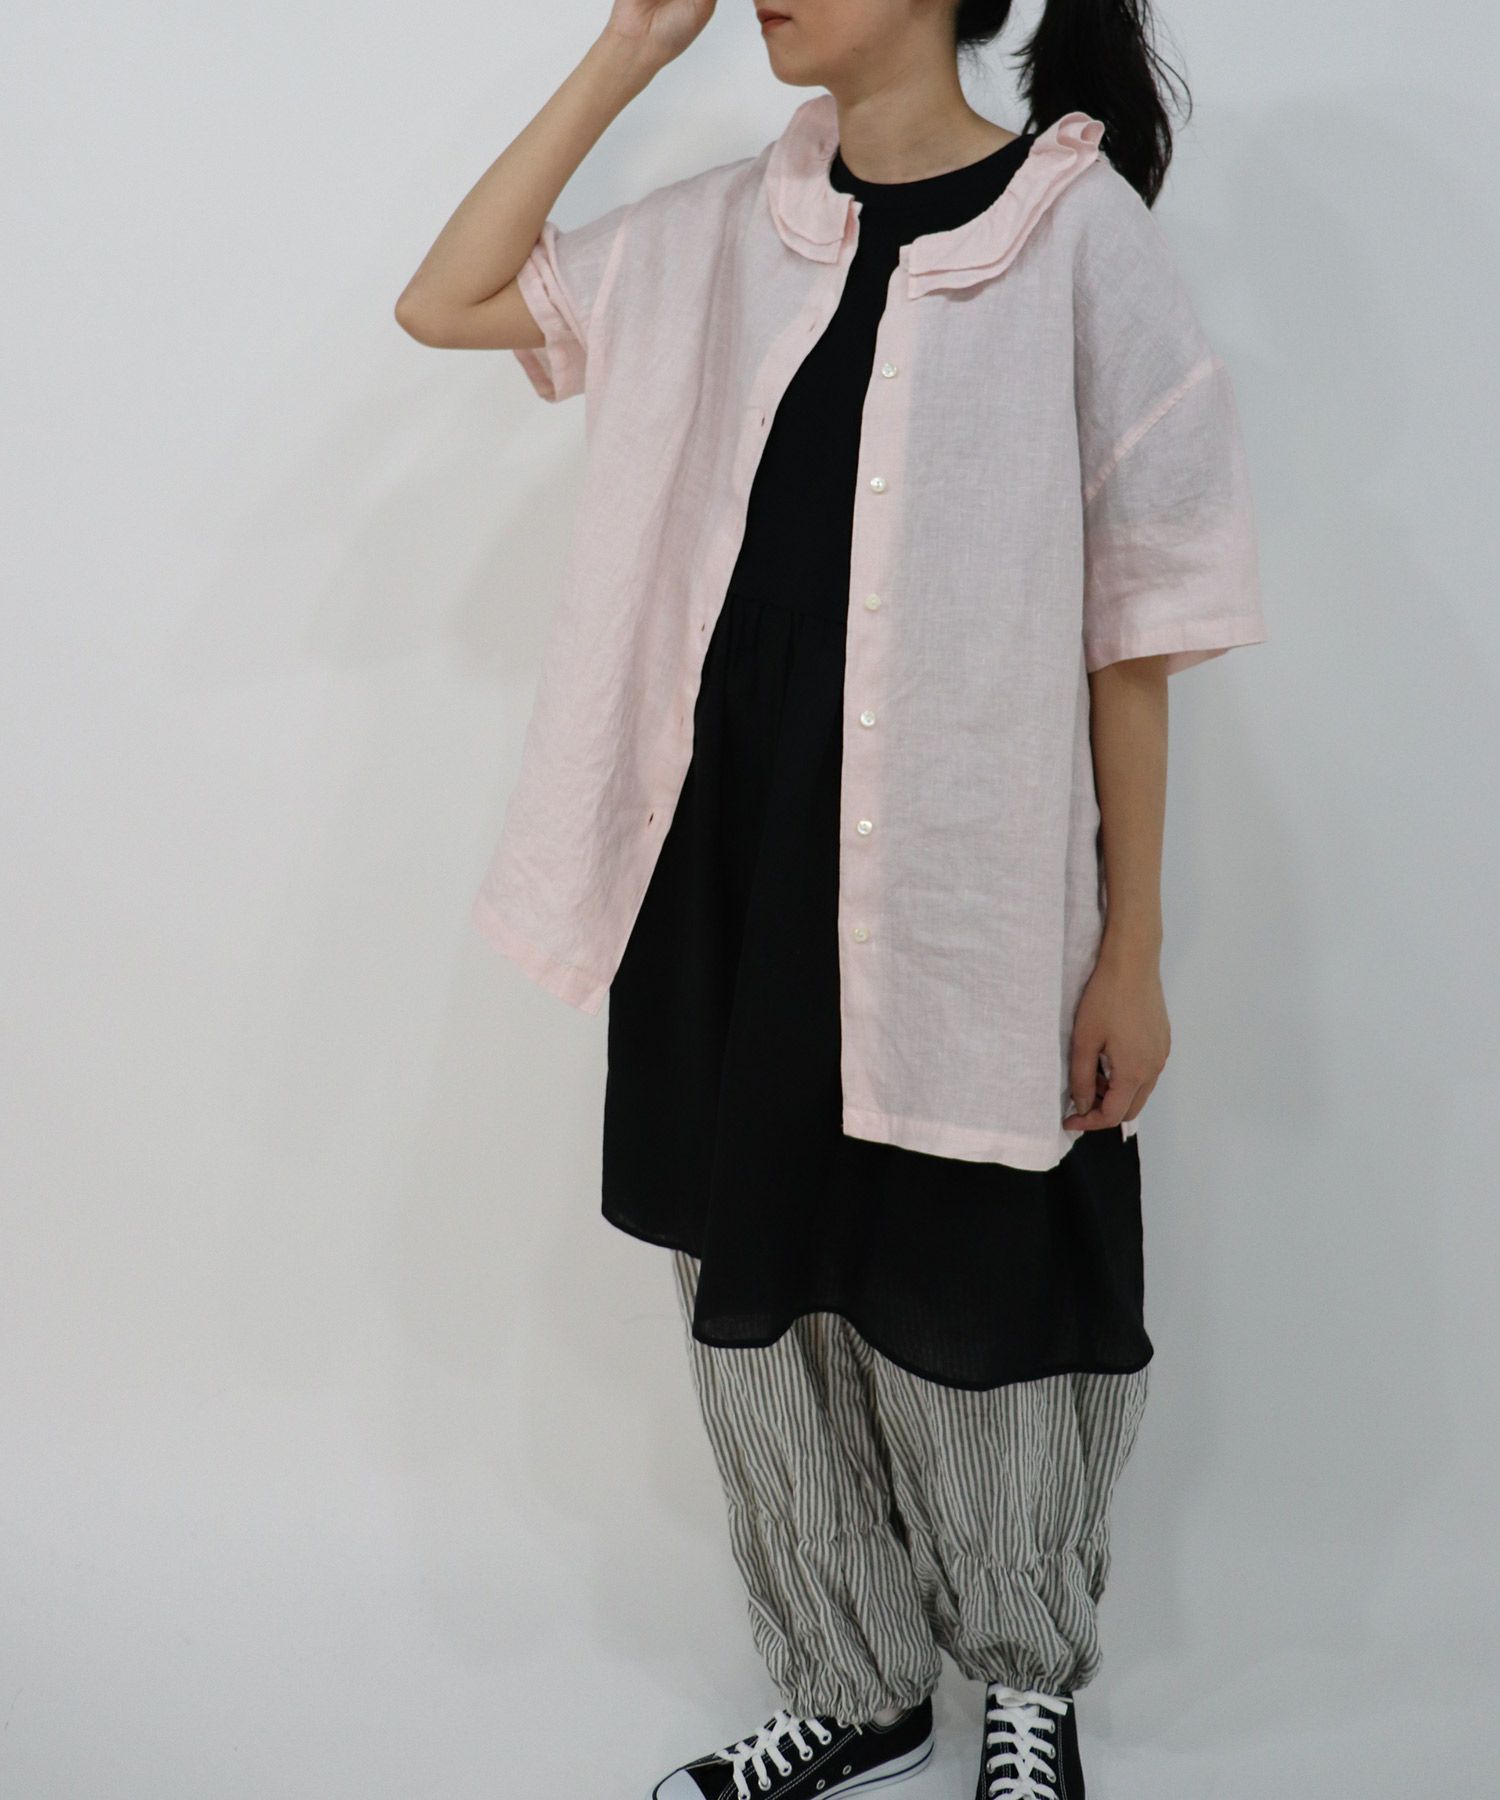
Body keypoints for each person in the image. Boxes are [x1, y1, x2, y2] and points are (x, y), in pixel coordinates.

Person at [396, 0, 1265, 1794]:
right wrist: (630, 52)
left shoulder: (1077, 236)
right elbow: (448, 299)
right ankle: (854, 1679)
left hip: (968, 881)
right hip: (724, 857)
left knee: (978, 1282)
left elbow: (1139, 628)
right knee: (758, 1286)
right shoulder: (734, 227)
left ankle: (1025, 1682)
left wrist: (1136, 947)